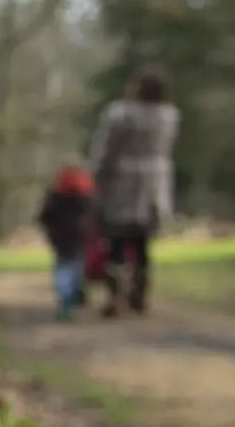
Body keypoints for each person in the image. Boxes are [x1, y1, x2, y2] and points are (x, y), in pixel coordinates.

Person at [88, 65, 180, 316]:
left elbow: (105, 150)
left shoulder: (121, 115)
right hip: (154, 185)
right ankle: (139, 293)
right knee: (142, 244)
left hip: (122, 184)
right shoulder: (168, 117)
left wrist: (96, 178)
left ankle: (116, 296)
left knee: (116, 242)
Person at [36, 165, 96, 320]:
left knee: (63, 268)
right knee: (76, 268)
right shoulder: (86, 198)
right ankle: (72, 297)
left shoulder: (55, 197)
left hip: (60, 239)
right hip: (80, 238)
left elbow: (43, 217)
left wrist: (51, 230)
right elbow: (95, 217)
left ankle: (65, 301)